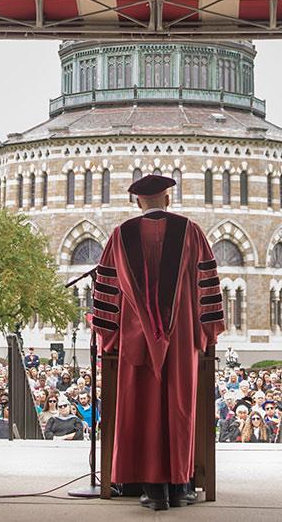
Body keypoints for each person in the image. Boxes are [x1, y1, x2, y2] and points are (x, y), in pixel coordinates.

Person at [91, 174, 225, 511]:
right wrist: (206, 336)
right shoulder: (191, 232)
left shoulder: (121, 236)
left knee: (141, 409)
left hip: (136, 342)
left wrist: (108, 338)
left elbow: (106, 293)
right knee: (179, 408)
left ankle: (151, 490)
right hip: (181, 340)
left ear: (138, 202)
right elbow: (207, 286)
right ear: (167, 199)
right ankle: (180, 487)